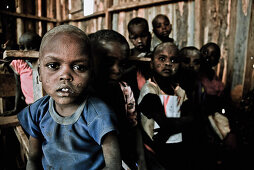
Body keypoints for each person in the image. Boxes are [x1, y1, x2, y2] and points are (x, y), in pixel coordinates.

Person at [17, 25, 121, 170]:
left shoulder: (99, 115)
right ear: (39, 72)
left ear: (91, 74)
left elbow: (114, 166)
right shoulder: (37, 111)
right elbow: (33, 159)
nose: (65, 76)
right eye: (53, 65)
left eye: (79, 67)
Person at [138, 42, 204, 170]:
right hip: (153, 150)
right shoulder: (149, 90)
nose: (168, 63)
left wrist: (178, 123)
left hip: (175, 148)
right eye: (162, 59)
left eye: (174, 60)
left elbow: (193, 118)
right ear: (151, 64)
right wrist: (182, 122)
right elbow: (165, 123)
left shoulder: (178, 90)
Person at [90, 29, 147, 170]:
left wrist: (141, 160)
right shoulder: (80, 94)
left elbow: (134, 127)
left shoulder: (124, 89)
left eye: (122, 64)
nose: (117, 70)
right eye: (108, 62)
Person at [4, 32, 42, 116]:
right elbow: (18, 85)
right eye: (22, 47)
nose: (25, 51)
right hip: (30, 106)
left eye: (31, 47)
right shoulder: (19, 63)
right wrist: (16, 108)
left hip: (47, 105)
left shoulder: (45, 63)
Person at [125, 17, 152, 100]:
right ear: (130, 38)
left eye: (143, 36)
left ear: (149, 35)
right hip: (131, 96)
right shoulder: (127, 55)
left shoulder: (153, 56)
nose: (140, 40)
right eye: (135, 37)